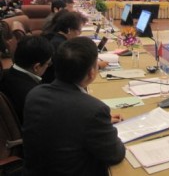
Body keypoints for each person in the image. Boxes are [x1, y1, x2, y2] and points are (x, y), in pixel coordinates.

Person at [23, 37, 126, 175]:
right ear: (91, 73)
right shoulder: (93, 110)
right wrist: (104, 127)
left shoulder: (35, 93)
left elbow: (64, 121)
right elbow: (115, 154)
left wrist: (98, 125)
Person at [0, 35, 53, 123]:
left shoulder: (3, 74)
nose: (48, 66)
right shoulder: (36, 95)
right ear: (36, 67)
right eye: (48, 63)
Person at [41, 10, 88, 83]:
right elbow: (74, 71)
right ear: (69, 30)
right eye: (79, 30)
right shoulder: (62, 47)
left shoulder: (56, 37)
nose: (79, 34)